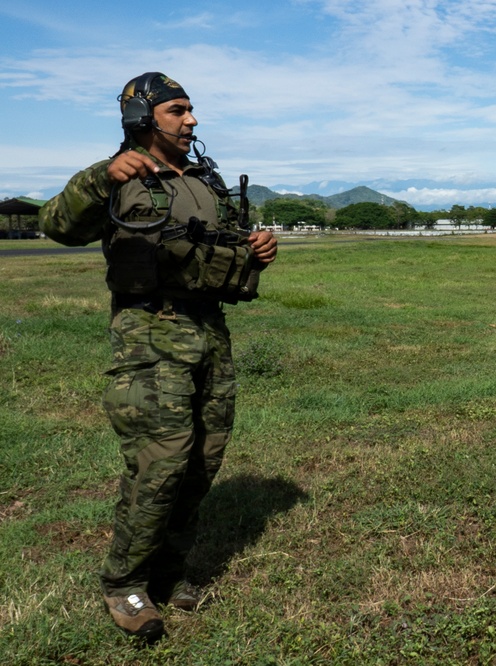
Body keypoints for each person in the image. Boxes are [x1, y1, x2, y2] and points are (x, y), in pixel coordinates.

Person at [40, 72, 278, 640]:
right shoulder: (120, 176)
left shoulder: (203, 179)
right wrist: (102, 176)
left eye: (191, 110)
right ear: (143, 119)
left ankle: (170, 574)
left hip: (209, 333)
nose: (191, 119)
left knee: (204, 458)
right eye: (177, 110)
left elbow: (219, 248)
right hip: (149, 336)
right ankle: (124, 583)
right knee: (161, 463)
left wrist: (257, 251)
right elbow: (56, 224)